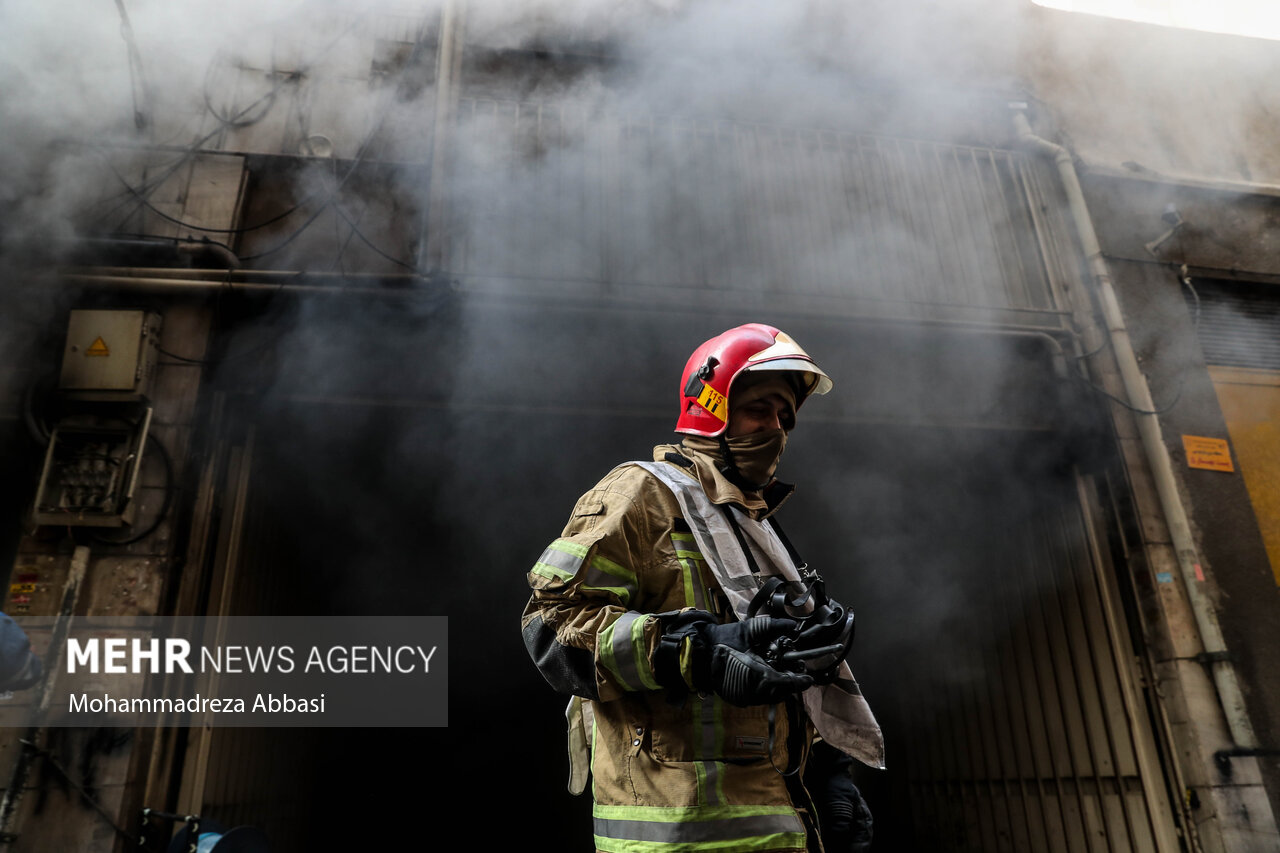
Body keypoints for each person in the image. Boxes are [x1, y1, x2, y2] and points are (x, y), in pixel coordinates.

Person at [521, 323, 882, 853]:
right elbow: (551, 628)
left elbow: (787, 664)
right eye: (761, 408)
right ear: (710, 405)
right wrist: (699, 654)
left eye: (787, 417)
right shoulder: (642, 495)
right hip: (674, 832)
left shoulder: (753, 524)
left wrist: (830, 769)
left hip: (775, 827)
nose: (777, 429)